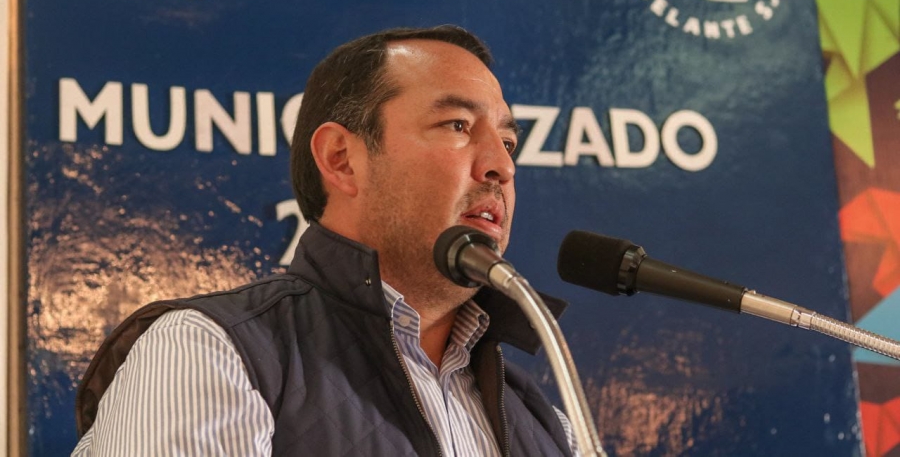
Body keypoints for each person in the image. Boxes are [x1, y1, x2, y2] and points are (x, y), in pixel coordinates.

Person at [72, 25, 579, 456]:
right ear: (341, 158)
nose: (502, 165)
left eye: (508, 141)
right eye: (457, 125)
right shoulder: (208, 350)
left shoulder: (547, 424)